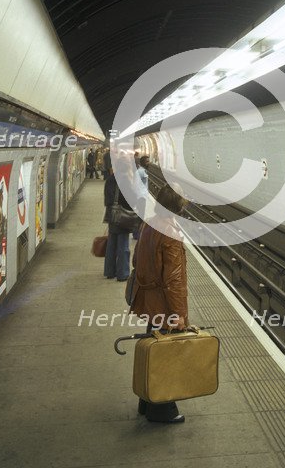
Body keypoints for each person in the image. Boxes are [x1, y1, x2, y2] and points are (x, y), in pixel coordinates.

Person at [130, 183, 189, 424]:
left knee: (153, 350)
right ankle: (162, 411)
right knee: (164, 357)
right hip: (164, 304)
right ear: (177, 208)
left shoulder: (149, 224)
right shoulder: (170, 233)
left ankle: (145, 403)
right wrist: (178, 314)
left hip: (148, 299)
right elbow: (173, 280)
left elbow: (136, 259)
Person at [103, 157, 137, 281]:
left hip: (112, 216)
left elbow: (107, 199)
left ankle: (109, 271)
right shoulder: (126, 181)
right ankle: (122, 274)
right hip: (123, 218)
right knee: (123, 247)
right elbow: (131, 201)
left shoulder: (110, 179)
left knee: (111, 245)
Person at [132, 155, 150, 240]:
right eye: (147, 161)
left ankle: (137, 233)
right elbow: (136, 185)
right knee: (140, 216)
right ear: (142, 162)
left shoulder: (142, 171)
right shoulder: (141, 172)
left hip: (141, 196)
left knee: (140, 215)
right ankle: (136, 234)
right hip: (141, 197)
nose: (148, 163)